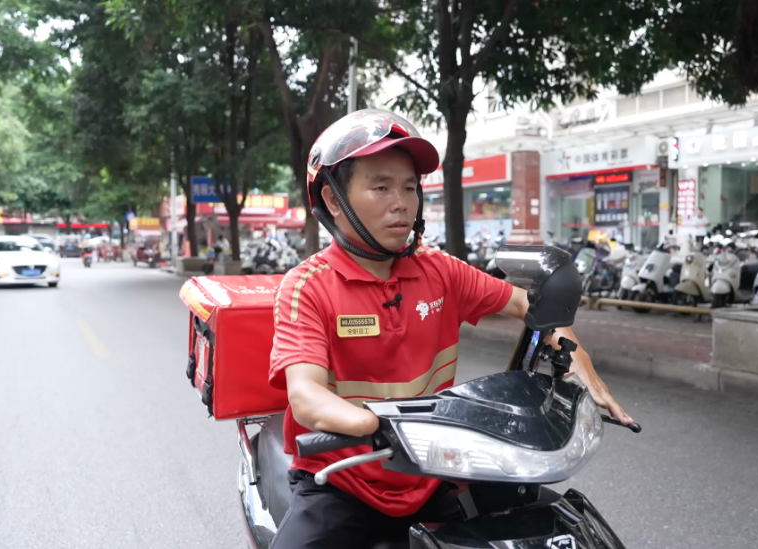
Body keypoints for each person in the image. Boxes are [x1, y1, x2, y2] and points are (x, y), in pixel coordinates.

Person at [267, 109, 632, 549]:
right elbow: (306, 396)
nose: (400, 202)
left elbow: (532, 309)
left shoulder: (440, 272)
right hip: (341, 485)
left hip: (427, 476)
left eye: (408, 187)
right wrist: (374, 424)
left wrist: (577, 358)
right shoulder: (307, 286)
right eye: (380, 186)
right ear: (332, 199)